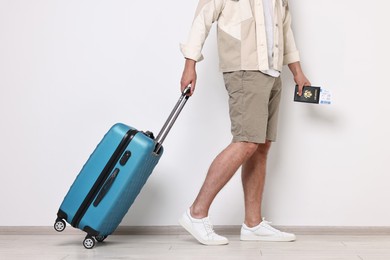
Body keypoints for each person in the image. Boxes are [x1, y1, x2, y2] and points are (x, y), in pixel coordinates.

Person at [178, 0, 311, 245]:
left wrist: (297, 71)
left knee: (261, 147)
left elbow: (285, 28)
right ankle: (196, 212)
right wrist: (190, 64)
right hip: (244, 70)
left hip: (272, 71)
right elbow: (202, 18)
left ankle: (253, 224)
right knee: (246, 141)